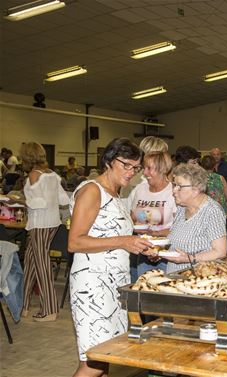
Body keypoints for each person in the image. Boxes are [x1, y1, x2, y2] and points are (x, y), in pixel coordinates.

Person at [68, 138, 153, 377]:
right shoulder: (91, 190)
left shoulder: (114, 194)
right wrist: (123, 241)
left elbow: (114, 237)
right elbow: (75, 242)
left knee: (105, 357)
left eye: (135, 168)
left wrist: (139, 245)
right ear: (109, 160)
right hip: (92, 286)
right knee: (93, 362)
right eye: (126, 165)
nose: (131, 172)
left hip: (114, 285)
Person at [20, 142, 70, 322]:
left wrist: (20, 200)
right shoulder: (53, 174)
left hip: (39, 225)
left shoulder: (33, 175)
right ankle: (22, 305)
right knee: (30, 263)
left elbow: (39, 203)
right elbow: (64, 199)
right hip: (53, 223)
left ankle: (50, 309)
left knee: (42, 266)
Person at [158, 163, 227, 273]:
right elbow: (177, 241)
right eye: (174, 185)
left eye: (179, 186)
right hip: (175, 277)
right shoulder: (182, 207)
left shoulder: (212, 211)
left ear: (196, 189)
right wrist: (159, 252)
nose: (174, 190)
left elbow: (220, 252)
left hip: (198, 279)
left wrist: (188, 258)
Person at [128, 151, 176, 275]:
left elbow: (179, 228)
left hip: (167, 254)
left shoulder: (174, 192)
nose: (145, 173)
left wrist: (155, 234)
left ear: (163, 169)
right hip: (143, 252)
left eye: (149, 168)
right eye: (144, 168)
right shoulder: (140, 189)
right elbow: (132, 218)